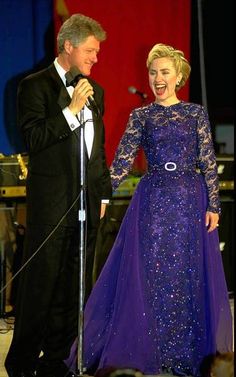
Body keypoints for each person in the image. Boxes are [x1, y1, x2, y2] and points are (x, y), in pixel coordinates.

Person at [66, 43, 233, 376]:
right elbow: (122, 162)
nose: (158, 78)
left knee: (185, 275)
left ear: (178, 76)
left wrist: (214, 203)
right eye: (153, 72)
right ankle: (153, 348)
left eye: (165, 72)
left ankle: (185, 351)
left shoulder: (194, 113)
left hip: (189, 198)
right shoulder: (140, 116)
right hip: (153, 200)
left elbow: (208, 161)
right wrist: (102, 197)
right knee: (152, 274)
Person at [5, 13, 112, 377]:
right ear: (68, 46)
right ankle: (20, 364)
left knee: (73, 290)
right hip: (50, 208)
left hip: (87, 206)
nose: (95, 58)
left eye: (97, 52)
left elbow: (96, 150)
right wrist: (70, 112)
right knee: (40, 290)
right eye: (90, 50)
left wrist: (103, 196)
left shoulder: (96, 91)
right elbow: (32, 139)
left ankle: (55, 362)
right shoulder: (33, 86)